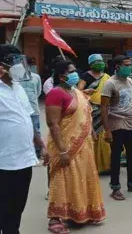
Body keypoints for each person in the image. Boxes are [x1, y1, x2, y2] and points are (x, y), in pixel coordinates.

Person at [45, 60, 106, 233]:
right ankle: (55, 218)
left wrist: (92, 132)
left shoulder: (75, 92)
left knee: (81, 178)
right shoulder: (55, 94)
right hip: (64, 145)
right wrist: (63, 150)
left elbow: (84, 114)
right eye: (71, 72)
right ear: (62, 76)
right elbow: (53, 124)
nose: (75, 74)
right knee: (62, 179)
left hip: (83, 145)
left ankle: (78, 212)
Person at [0, 44, 47, 234]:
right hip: (4, 162)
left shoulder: (18, 87)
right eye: (14, 62)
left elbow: (28, 119)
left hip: (25, 160)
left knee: (17, 206)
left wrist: (42, 146)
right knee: (4, 208)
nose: (19, 66)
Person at [101, 55, 132, 201]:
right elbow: (104, 107)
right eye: (126, 65)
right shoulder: (110, 83)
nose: (130, 67)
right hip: (116, 123)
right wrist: (107, 129)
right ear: (117, 67)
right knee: (116, 156)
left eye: (130, 64)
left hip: (131, 122)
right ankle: (115, 187)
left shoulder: (129, 81)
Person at [77, 54, 111, 174]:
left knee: (104, 137)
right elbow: (78, 91)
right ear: (91, 64)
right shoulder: (85, 76)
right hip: (91, 109)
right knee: (92, 137)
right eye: (97, 62)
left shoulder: (107, 77)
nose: (100, 63)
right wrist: (86, 91)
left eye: (101, 61)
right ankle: (93, 166)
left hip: (105, 109)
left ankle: (106, 165)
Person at [18, 63, 42, 158]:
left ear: (28, 66)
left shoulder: (36, 77)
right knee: (22, 130)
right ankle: (24, 150)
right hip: (21, 109)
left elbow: (38, 91)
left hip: (33, 109)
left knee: (36, 130)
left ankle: (38, 151)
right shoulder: (16, 79)